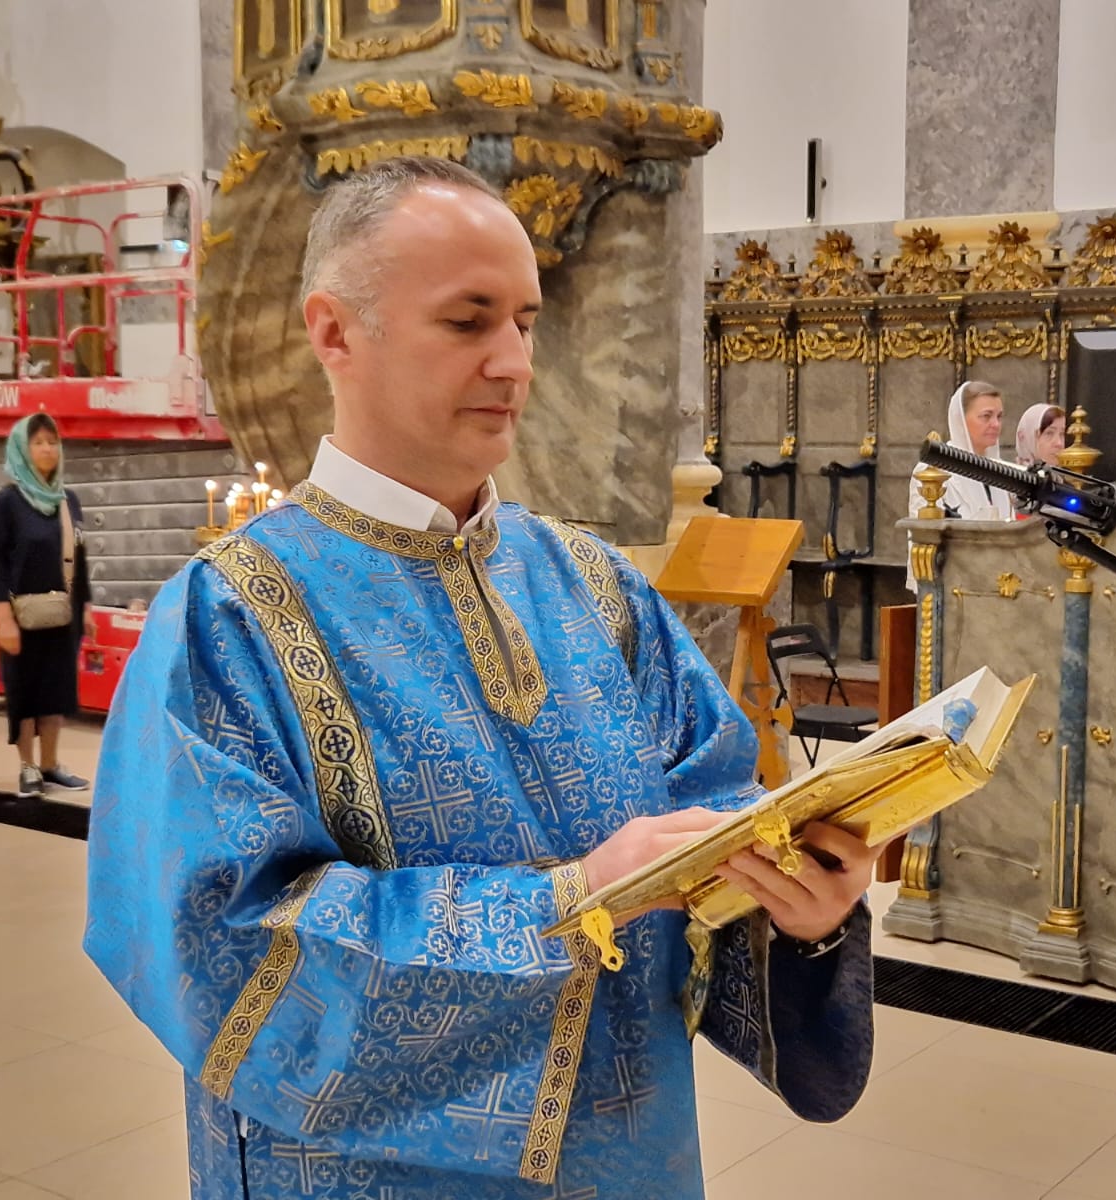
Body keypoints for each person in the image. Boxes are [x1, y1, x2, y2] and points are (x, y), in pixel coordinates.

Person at [84, 156, 878, 1200]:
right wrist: (565, 905)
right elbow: (221, 945)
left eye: (525, 322)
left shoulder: (596, 587)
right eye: (468, 322)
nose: (514, 363)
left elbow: (716, 810)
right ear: (335, 332)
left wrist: (800, 909)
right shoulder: (230, 615)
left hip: (633, 1155)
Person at [0, 413, 95, 797]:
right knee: (25, 692)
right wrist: (4, 620)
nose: (47, 449)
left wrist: (86, 608)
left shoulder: (68, 500)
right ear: (22, 448)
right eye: (38, 442)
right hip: (21, 617)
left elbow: (80, 559)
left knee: (56, 691)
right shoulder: (7, 502)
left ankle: (50, 764)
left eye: (53, 442)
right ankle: (28, 766)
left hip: (63, 614)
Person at [908, 380, 1014, 522]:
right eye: (986, 416)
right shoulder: (934, 469)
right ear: (961, 420)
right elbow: (923, 531)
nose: (996, 424)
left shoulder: (1002, 472)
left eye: (999, 416)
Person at [1014, 402, 1067, 469]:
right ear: (1029, 437)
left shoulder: (1067, 474)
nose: (1059, 443)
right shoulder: (1009, 474)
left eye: (1062, 434)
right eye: (1049, 433)